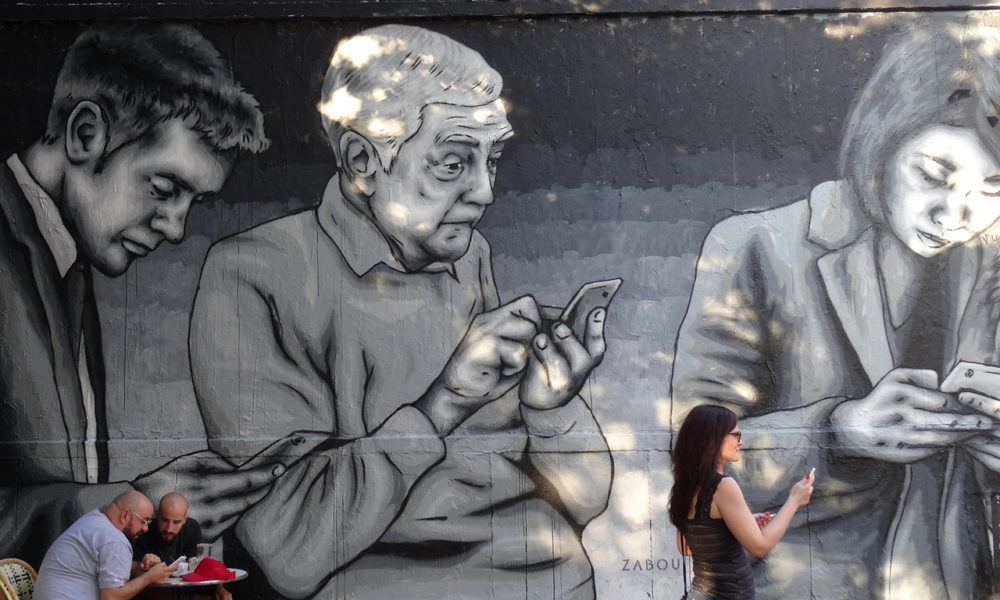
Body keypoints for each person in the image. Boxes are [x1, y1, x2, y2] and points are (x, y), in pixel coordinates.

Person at [190, 24, 613, 599]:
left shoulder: (468, 257)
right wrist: (445, 402)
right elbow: (288, 548)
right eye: (452, 163)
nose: (485, 192)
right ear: (363, 160)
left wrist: (552, 412)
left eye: (492, 158)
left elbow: (586, 503)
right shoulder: (254, 274)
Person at [670, 21, 1000, 600]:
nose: (955, 215)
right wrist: (834, 432)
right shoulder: (757, 247)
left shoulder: (991, 270)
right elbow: (690, 467)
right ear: (882, 142)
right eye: (932, 176)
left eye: (993, 189)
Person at [0, 23, 280, 569]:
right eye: (163, 188)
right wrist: (131, 508)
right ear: (85, 135)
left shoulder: (66, 260)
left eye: (192, 201)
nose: (176, 229)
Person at [669, 405, 813, 600]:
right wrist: (794, 500)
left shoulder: (687, 485)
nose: (740, 441)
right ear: (714, 438)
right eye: (736, 435)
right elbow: (760, 547)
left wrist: (735, 525)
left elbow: (686, 546)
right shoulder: (723, 486)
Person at [34, 490, 176, 600]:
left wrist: (139, 567)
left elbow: (103, 566)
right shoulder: (114, 539)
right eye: (143, 521)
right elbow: (113, 597)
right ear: (125, 515)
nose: (145, 528)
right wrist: (149, 577)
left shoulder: (94, 520)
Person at [132, 493, 230, 600]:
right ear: (157, 515)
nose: (169, 528)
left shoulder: (192, 528)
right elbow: (136, 584)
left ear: (184, 520)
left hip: (186, 590)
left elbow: (200, 567)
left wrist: (219, 589)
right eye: (164, 520)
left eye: (176, 522)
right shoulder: (143, 531)